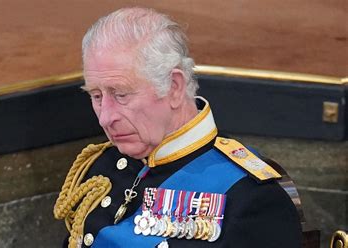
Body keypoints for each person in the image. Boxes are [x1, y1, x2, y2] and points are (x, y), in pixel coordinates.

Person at [54, 7, 302, 248]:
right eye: (96, 96)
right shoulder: (102, 166)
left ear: (174, 87)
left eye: (120, 94)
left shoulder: (252, 198)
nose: (105, 118)